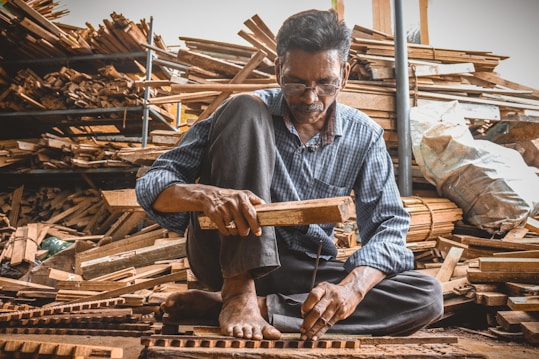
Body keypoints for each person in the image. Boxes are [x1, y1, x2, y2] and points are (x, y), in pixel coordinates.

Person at [135, 8, 443, 341]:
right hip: (223, 257)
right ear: (278, 68)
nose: (311, 98)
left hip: (301, 270)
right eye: (296, 83)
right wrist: (206, 195)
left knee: (426, 295)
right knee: (244, 107)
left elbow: (389, 227)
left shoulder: (364, 136)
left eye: (326, 83)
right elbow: (152, 183)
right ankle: (238, 292)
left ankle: (263, 307)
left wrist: (352, 289)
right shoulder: (246, 113)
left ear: (346, 73)